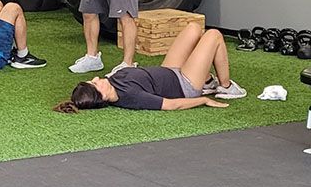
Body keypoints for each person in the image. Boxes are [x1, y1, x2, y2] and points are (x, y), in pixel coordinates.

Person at [55, 24, 247, 113]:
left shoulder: (112, 80)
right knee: (213, 35)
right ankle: (226, 87)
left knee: (194, 28)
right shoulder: (130, 97)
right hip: (185, 84)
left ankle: (206, 80)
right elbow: (172, 105)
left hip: (170, 71)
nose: (96, 79)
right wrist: (203, 100)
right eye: (95, 84)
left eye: (92, 80)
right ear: (102, 96)